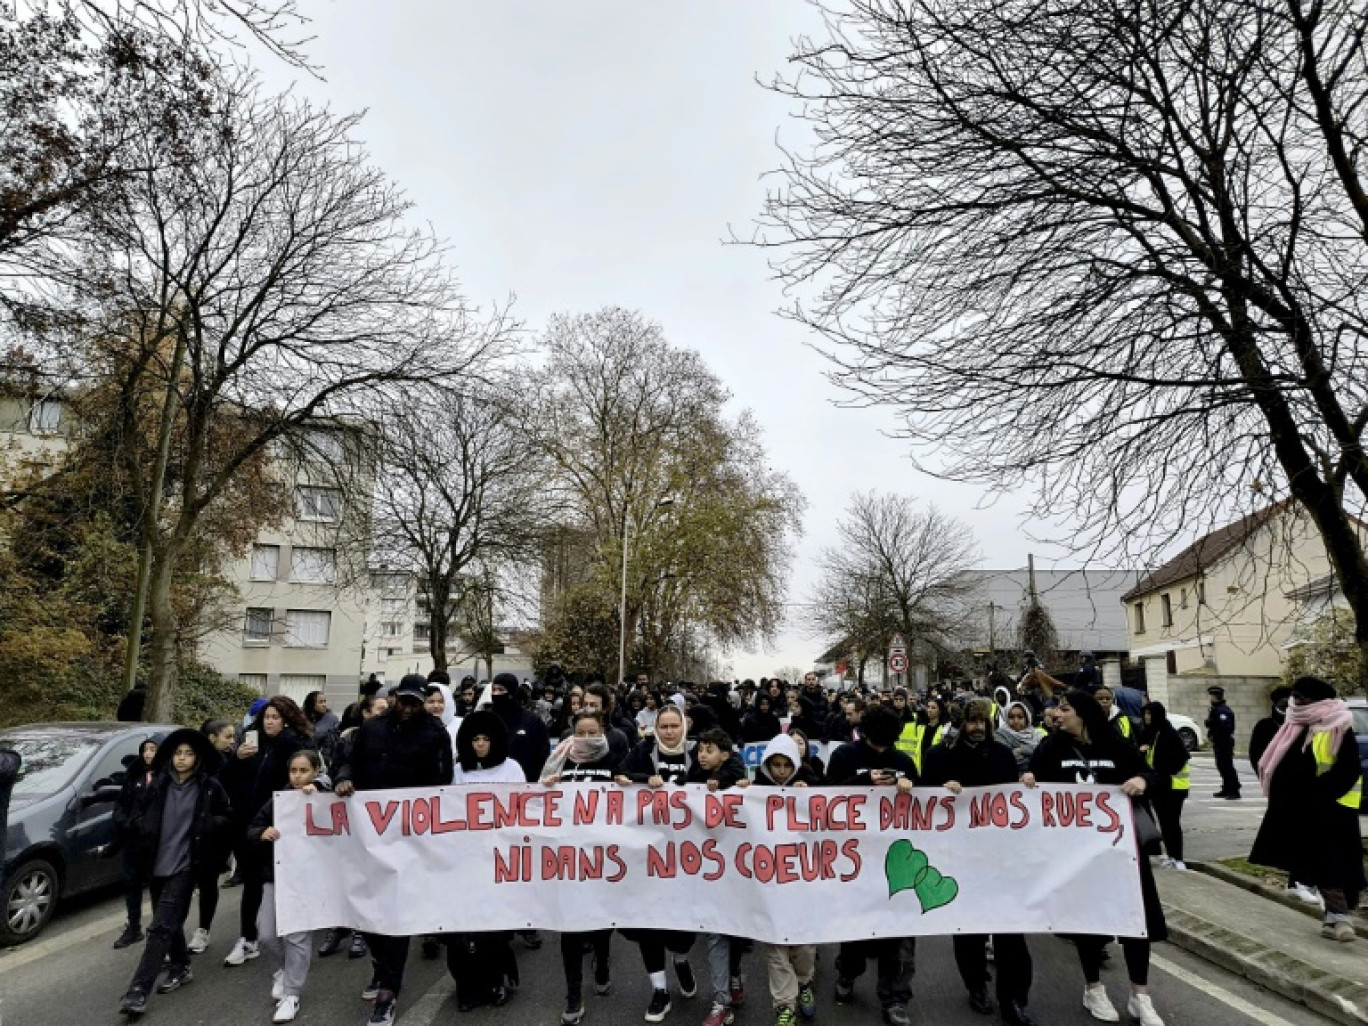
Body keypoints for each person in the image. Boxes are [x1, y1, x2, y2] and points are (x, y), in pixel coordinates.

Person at [1024, 690, 1167, 1026]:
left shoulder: (1116, 745)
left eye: (1066, 709)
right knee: (1086, 920)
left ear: (1084, 714)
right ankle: (1093, 988)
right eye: (1058, 709)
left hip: (1122, 852)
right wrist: (1028, 781)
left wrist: (1140, 779)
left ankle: (1140, 996)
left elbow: (1154, 776)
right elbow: (1032, 787)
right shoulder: (1051, 748)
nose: (1058, 715)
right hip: (1077, 855)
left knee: (1135, 921)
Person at [335, 674, 455, 1026]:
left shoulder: (434, 735)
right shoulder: (370, 728)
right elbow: (348, 760)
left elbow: (442, 783)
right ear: (395, 698)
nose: (409, 708)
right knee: (368, 908)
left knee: (396, 911)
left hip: (407, 836)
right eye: (404, 700)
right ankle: (380, 966)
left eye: (416, 702)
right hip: (367, 833)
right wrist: (344, 776)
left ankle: (389, 990)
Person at [922, 699, 1037, 1026]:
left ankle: (1014, 998)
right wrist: (940, 791)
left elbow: (1013, 801)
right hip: (959, 857)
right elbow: (923, 803)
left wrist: (1026, 786)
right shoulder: (939, 757)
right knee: (969, 929)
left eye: (981, 722)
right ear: (960, 724)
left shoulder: (1002, 756)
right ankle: (975, 985)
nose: (976, 728)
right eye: (970, 721)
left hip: (1001, 857)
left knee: (1010, 931)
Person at [117, 729, 231, 1019]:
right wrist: (140, 827)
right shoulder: (159, 784)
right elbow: (136, 812)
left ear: (198, 758)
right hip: (157, 864)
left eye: (189, 754)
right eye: (178, 753)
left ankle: (138, 991)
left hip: (186, 865)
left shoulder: (209, 787)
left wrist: (209, 826)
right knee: (169, 924)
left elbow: (228, 818)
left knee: (159, 927)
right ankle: (181, 966)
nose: (182, 759)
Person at [1250, 676, 1364, 943]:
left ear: (1318, 700)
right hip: (1301, 809)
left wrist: (1320, 792)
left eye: (1303, 698)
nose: (1297, 702)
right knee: (1315, 862)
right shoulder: (1293, 724)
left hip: (1334, 808)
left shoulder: (1337, 724)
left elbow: (1349, 769)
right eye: (1295, 697)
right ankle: (1335, 917)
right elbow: (1281, 762)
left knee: (1335, 863)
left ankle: (1339, 915)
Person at [825, 706, 917, 1026]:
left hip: (896, 860)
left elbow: (925, 805)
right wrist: (863, 780)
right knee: (855, 932)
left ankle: (895, 999)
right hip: (856, 858)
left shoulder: (904, 763)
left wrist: (910, 786)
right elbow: (826, 796)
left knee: (899, 933)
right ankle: (847, 972)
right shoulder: (845, 756)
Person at [219, 696, 312, 968]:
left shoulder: (295, 744)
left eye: (275, 717)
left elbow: (305, 777)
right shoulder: (249, 740)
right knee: (251, 881)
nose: (269, 722)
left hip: (281, 825)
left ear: (286, 719)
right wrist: (236, 758)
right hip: (248, 824)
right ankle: (248, 939)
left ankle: (289, 934)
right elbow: (225, 779)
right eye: (266, 717)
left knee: (279, 882)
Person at [542, 710, 620, 1025]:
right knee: (570, 924)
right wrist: (546, 787)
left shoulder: (614, 760)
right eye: (581, 733)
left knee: (600, 920)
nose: (586, 739)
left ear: (602, 732)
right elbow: (540, 804)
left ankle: (601, 962)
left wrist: (627, 782)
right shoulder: (561, 761)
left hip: (603, 857)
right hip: (568, 858)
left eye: (592, 733)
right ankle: (573, 993)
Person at [249, 749, 330, 1023]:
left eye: (303, 771)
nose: (297, 777)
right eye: (293, 771)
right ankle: (284, 970)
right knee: (266, 934)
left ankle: (292, 994)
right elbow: (253, 827)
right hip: (276, 876)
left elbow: (334, 785)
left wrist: (318, 786)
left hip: (307, 879)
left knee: (297, 936)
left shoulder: (322, 793)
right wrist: (262, 832)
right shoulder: (278, 801)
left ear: (315, 771)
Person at [447, 711, 521, 1009]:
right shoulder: (459, 771)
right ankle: (466, 984)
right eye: (475, 739)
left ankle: (495, 979)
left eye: (485, 739)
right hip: (465, 856)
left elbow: (520, 809)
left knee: (493, 926)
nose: (479, 745)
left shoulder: (511, 768)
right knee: (461, 927)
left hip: (499, 856)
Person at [1247, 687, 1322, 906]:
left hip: (1303, 789)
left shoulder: (1302, 725)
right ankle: (1298, 881)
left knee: (1302, 835)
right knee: (1295, 835)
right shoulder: (1266, 726)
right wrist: (1270, 779)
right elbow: (1258, 756)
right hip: (1282, 789)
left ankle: (1297, 881)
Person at [189, 719, 237, 953]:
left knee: (208, 882)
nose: (232, 741)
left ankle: (203, 930)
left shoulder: (231, 761)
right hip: (187, 837)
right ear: (211, 738)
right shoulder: (193, 764)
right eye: (227, 736)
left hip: (214, 836)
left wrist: (214, 823)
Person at [112, 739, 160, 949]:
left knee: (157, 887)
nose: (148, 754)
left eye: (153, 749)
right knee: (131, 884)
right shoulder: (134, 776)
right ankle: (133, 927)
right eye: (145, 750)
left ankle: (159, 929)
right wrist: (125, 822)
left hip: (155, 842)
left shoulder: (166, 777)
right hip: (133, 840)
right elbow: (120, 805)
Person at [1138, 702, 1191, 870]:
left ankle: (1178, 858)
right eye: (1145, 713)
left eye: (1150, 714)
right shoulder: (1152, 733)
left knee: (1171, 823)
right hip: (1159, 787)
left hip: (1174, 787)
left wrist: (1164, 773)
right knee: (1165, 822)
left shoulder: (1168, 733)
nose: (1146, 717)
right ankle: (1171, 856)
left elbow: (1181, 756)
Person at [491, 672, 552, 782]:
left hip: (526, 783)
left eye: (501, 690)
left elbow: (542, 754)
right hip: (492, 782)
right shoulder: (486, 719)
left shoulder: (532, 721)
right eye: (494, 690)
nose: (496, 694)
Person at [1205, 685, 1240, 799]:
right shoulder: (1216, 709)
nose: (1209, 698)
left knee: (1227, 766)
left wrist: (1214, 731)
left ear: (1215, 696)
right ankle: (1226, 788)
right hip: (1219, 742)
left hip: (1224, 742)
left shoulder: (1222, 710)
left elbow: (1225, 727)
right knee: (1221, 765)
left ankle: (1234, 790)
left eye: (1211, 696)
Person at [995, 701, 1041, 774]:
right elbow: (1010, 761)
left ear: (1027, 718)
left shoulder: (1037, 734)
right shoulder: (1001, 735)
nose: (1016, 721)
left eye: (1020, 717)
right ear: (1006, 718)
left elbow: (1044, 756)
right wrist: (1034, 756)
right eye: (1011, 717)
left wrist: (1021, 750)